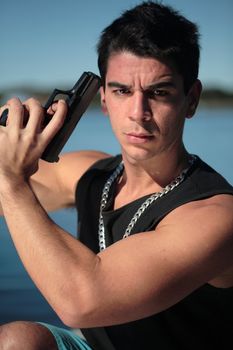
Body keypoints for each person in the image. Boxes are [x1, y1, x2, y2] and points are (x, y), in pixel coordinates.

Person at [0, 1, 232, 349]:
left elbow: (81, 302)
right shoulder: (92, 174)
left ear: (192, 98)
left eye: (159, 92)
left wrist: (11, 180)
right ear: (104, 98)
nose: (138, 113)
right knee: (17, 339)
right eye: (123, 91)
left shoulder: (214, 216)